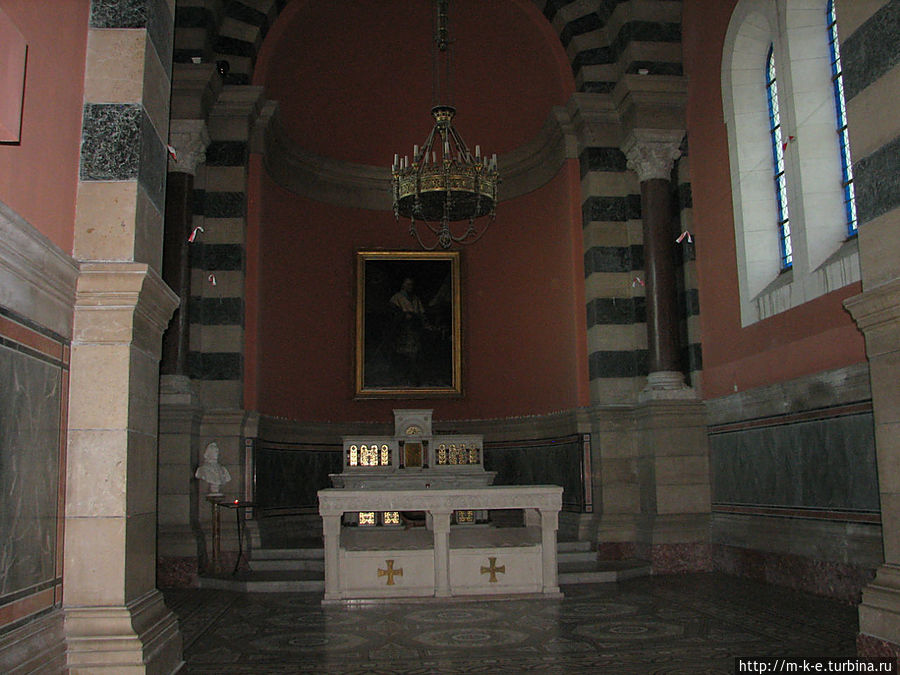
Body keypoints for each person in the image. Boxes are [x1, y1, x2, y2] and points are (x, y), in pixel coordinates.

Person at [388, 277, 427, 385]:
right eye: (408, 284)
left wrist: (423, 322)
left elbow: (421, 313)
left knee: (415, 353)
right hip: (402, 329)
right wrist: (403, 315)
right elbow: (393, 313)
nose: (410, 287)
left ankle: (413, 377)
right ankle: (401, 377)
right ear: (403, 285)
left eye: (411, 284)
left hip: (414, 328)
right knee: (402, 354)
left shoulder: (415, 299)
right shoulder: (396, 298)